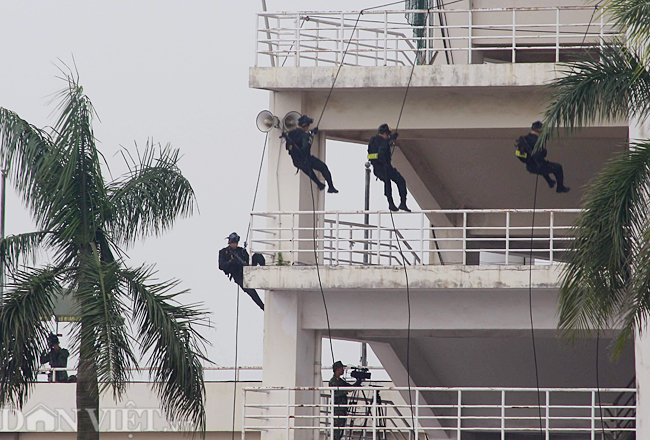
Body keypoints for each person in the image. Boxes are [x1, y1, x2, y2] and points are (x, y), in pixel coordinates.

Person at [284, 115, 338, 193]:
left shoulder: (291, 134)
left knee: (309, 171)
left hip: (296, 161)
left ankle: (319, 184)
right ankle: (331, 187)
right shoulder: (305, 136)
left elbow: (289, 147)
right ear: (304, 125)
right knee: (323, 167)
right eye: (308, 125)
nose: (308, 127)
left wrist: (311, 133)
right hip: (305, 159)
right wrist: (310, 137)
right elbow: (306, 147)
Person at [517, 121, 570, 193]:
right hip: (537, 166)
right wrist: (544, 152)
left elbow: (520, 154)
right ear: (539, 130)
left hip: (529, 166)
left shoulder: (525, 139)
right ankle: (560, 188)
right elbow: (540, 155)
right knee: (558, 167)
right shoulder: (536, 141)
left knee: (544, 164)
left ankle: (550, 182)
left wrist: (529, 160)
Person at [368, 124, 410, 211]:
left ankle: (392, 204)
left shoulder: (373, 141)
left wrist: (391, 139)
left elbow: (380, 146)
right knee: (400, 181)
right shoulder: (383, 142)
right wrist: (385, 164)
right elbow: (382, 151)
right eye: (388, 134)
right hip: (385, 167)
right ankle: (401, 203)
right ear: (385, 133)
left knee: (387, 183)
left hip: (377, 169)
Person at [218, 232, 265, 310]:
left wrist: (244, 254)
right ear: (229, 242)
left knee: (258, 256)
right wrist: (231, 262)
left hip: (247, 270)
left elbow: (247, 261)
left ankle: (265, 273)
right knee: (252, 292)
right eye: (233, 243)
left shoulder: (241, 251)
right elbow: (221, 266)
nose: (235, 245)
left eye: (236, 243)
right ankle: (263, 307)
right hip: (238, 274)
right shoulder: (224, 252)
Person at [329, 361, 362, 440]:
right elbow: (336, 393)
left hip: (342, 409)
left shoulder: (340, 381)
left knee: (341, 429)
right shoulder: (333, 381)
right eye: (341, 368)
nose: (343, 370)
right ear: (338, 369)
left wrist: (358, 382)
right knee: (337, 430)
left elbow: (350, 387)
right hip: (337, 409)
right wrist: (346, 390)